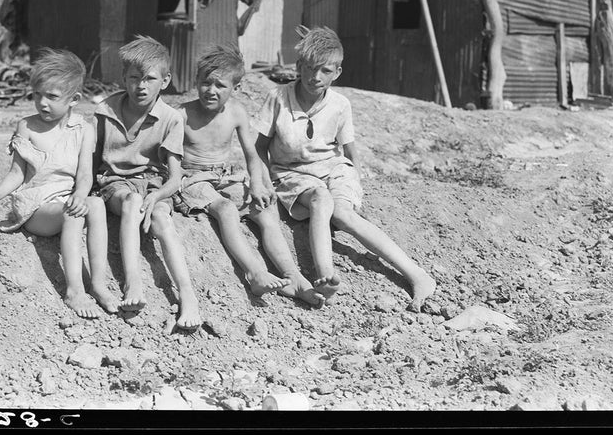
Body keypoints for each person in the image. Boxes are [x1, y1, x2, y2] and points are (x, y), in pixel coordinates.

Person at [253, 27, 436, 310]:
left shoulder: (340, 104)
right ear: (299, 66)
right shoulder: (278, 98)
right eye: (310, 69)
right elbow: (259, 146)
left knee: (342, 213)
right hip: (291, 172)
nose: (316, 77)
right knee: (319, 198)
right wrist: (261, 179)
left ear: (337, 72)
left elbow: (348, 148)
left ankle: (417, 275)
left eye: (325, 71)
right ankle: (325, 272)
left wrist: (355, 181)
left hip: (333, 167)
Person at [174, 45, 325, 307]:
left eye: (220, 85)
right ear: (196, 82)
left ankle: (293, 276)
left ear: (236, 87)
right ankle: (254, 272)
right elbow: (167, 156)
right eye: (205, 83)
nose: (211, 91)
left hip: (225, 176)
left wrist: (256, 183)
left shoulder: (236, 112)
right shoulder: (182, 114)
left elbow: (252, 155)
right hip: (193, 178)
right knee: (226, 209)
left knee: (266, 210)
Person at [0, 48, 117, 319]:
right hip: (36, 205)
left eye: (52, 97)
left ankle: (98, 283)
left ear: (74, 99)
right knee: (72, 215)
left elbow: (85, 173)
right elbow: (17, 173)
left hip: (65, 196)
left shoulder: (84, 129)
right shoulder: (27, 126)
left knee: (95, 203)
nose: (42, 103)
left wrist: (81, 193)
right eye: (37, 95)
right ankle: (74, 290)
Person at [91, 36, 200, 331]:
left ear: (165, 81)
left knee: (163, 219)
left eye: (149, 79)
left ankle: (187, 294)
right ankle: (133, 282)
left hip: (153, 183)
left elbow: (175, 177)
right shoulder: (106, 110)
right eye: (134, 78)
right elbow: (92, 158)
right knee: (132, 202)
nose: (141, 86)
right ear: (124, 79)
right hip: (115, 183)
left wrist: (158, 196)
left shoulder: (171, 118)